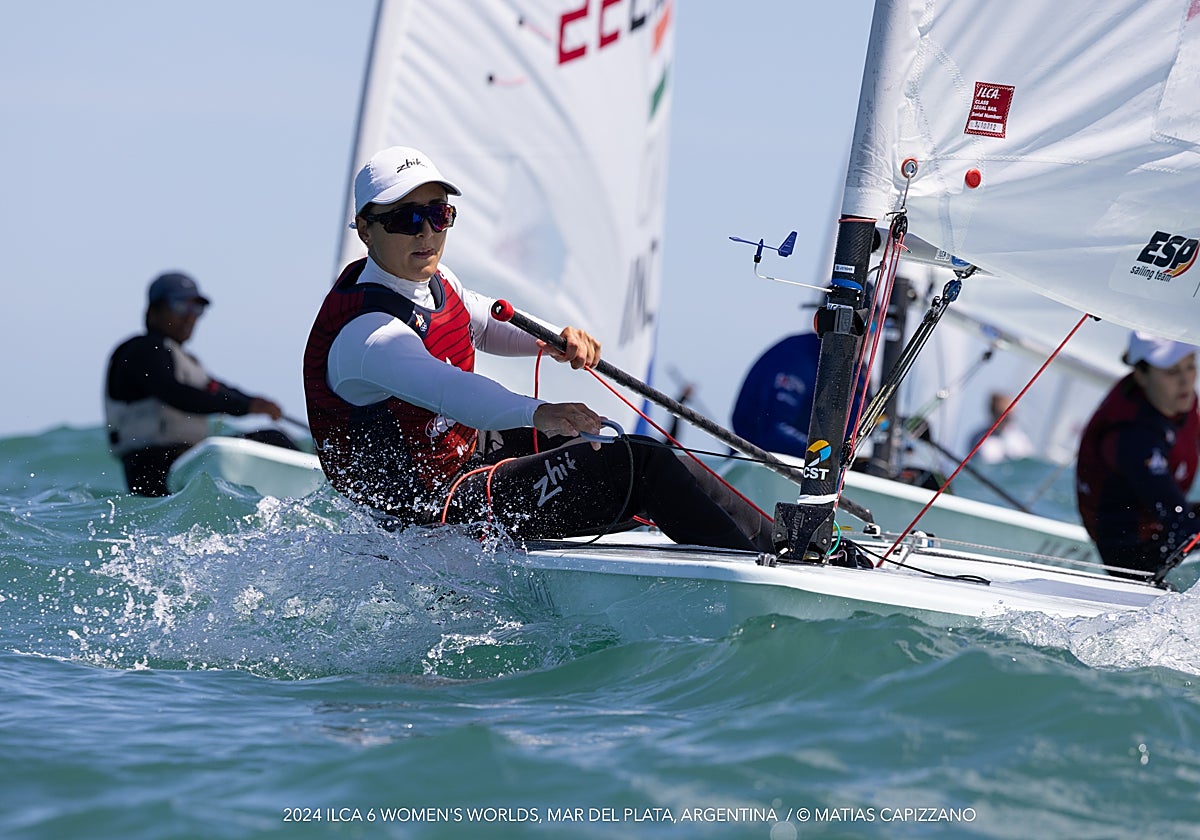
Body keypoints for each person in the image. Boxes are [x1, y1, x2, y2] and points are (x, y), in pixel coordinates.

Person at [303, 145, 772, 551]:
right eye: (406, 218)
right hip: (433, 514)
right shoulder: (371, 336)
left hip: (468, 459)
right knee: (638, 465)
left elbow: (480, 320)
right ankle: (756, 573)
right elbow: (451, 390)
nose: (427, 232)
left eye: (438, 213)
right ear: (365, 229)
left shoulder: (433, 281)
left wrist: (553, 339)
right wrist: (539, 412)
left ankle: (780, 544)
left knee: (629, 451)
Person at [105, 272, 298, 496]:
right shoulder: (142, 351)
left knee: (272, 438)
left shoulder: (181, 358)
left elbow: (216, 389)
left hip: (185, 462)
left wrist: (253, 402)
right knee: (273, 439)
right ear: (153, 311)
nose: (190, 317)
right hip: (153, 470)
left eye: (196, 309)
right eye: (180, 306)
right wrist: (244, 407)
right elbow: (177, 394)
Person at [1076, 330, 1200, 580]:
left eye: (1190, 366)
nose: (1186, 380)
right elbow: (1176, 518)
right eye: (1172, 371)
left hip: (1164, 528)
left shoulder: (1179, 402)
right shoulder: (1132, 436)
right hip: (1133, 553)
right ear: (1141, 375)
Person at [968, 391, 1035, 464]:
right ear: (993, 414)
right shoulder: (980, 440)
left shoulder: (1021, 440)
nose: (1008, 419)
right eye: (1004, 415)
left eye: (1010, 415)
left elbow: (1029, 465)